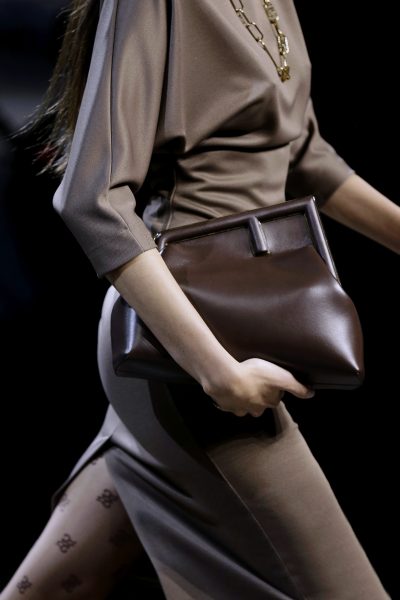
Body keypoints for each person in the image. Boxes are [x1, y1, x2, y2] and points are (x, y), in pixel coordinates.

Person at [2, 0, 398, 598]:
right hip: (186, 339)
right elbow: (92, 199)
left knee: (55, 584)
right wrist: (219, 373)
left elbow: (304, 155)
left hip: (236, 323)